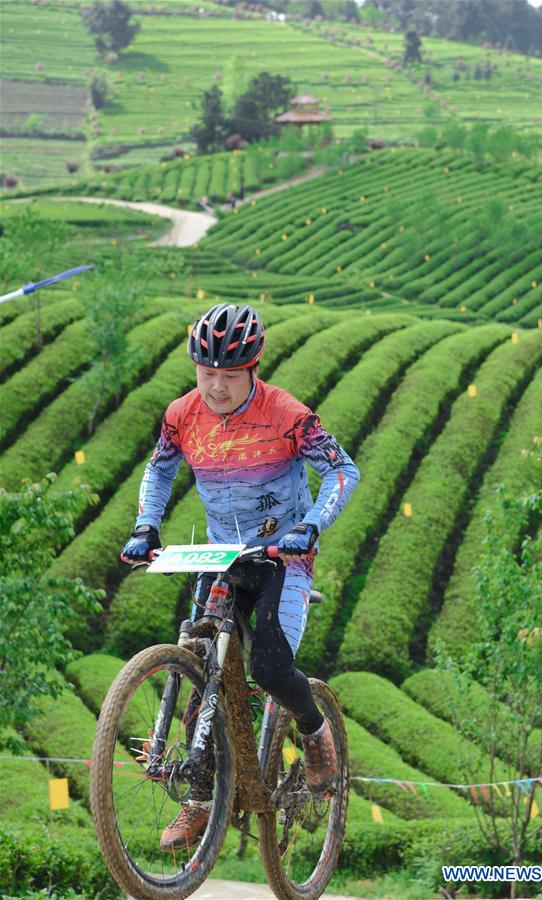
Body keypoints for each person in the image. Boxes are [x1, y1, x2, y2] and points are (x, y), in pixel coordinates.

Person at [121, 303, 360, 851]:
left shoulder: (287, 414)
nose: (217, 388)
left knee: (271, 669)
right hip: (221, 554)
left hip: (282, 555)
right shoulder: (182, 414)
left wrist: (313, 526)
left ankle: (316, 732)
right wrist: (145, 526)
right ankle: (199, 800)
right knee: (198, 663)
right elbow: (159, 468)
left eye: (229, 377)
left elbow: (343, 470)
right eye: (207, 375)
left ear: (253, 369)